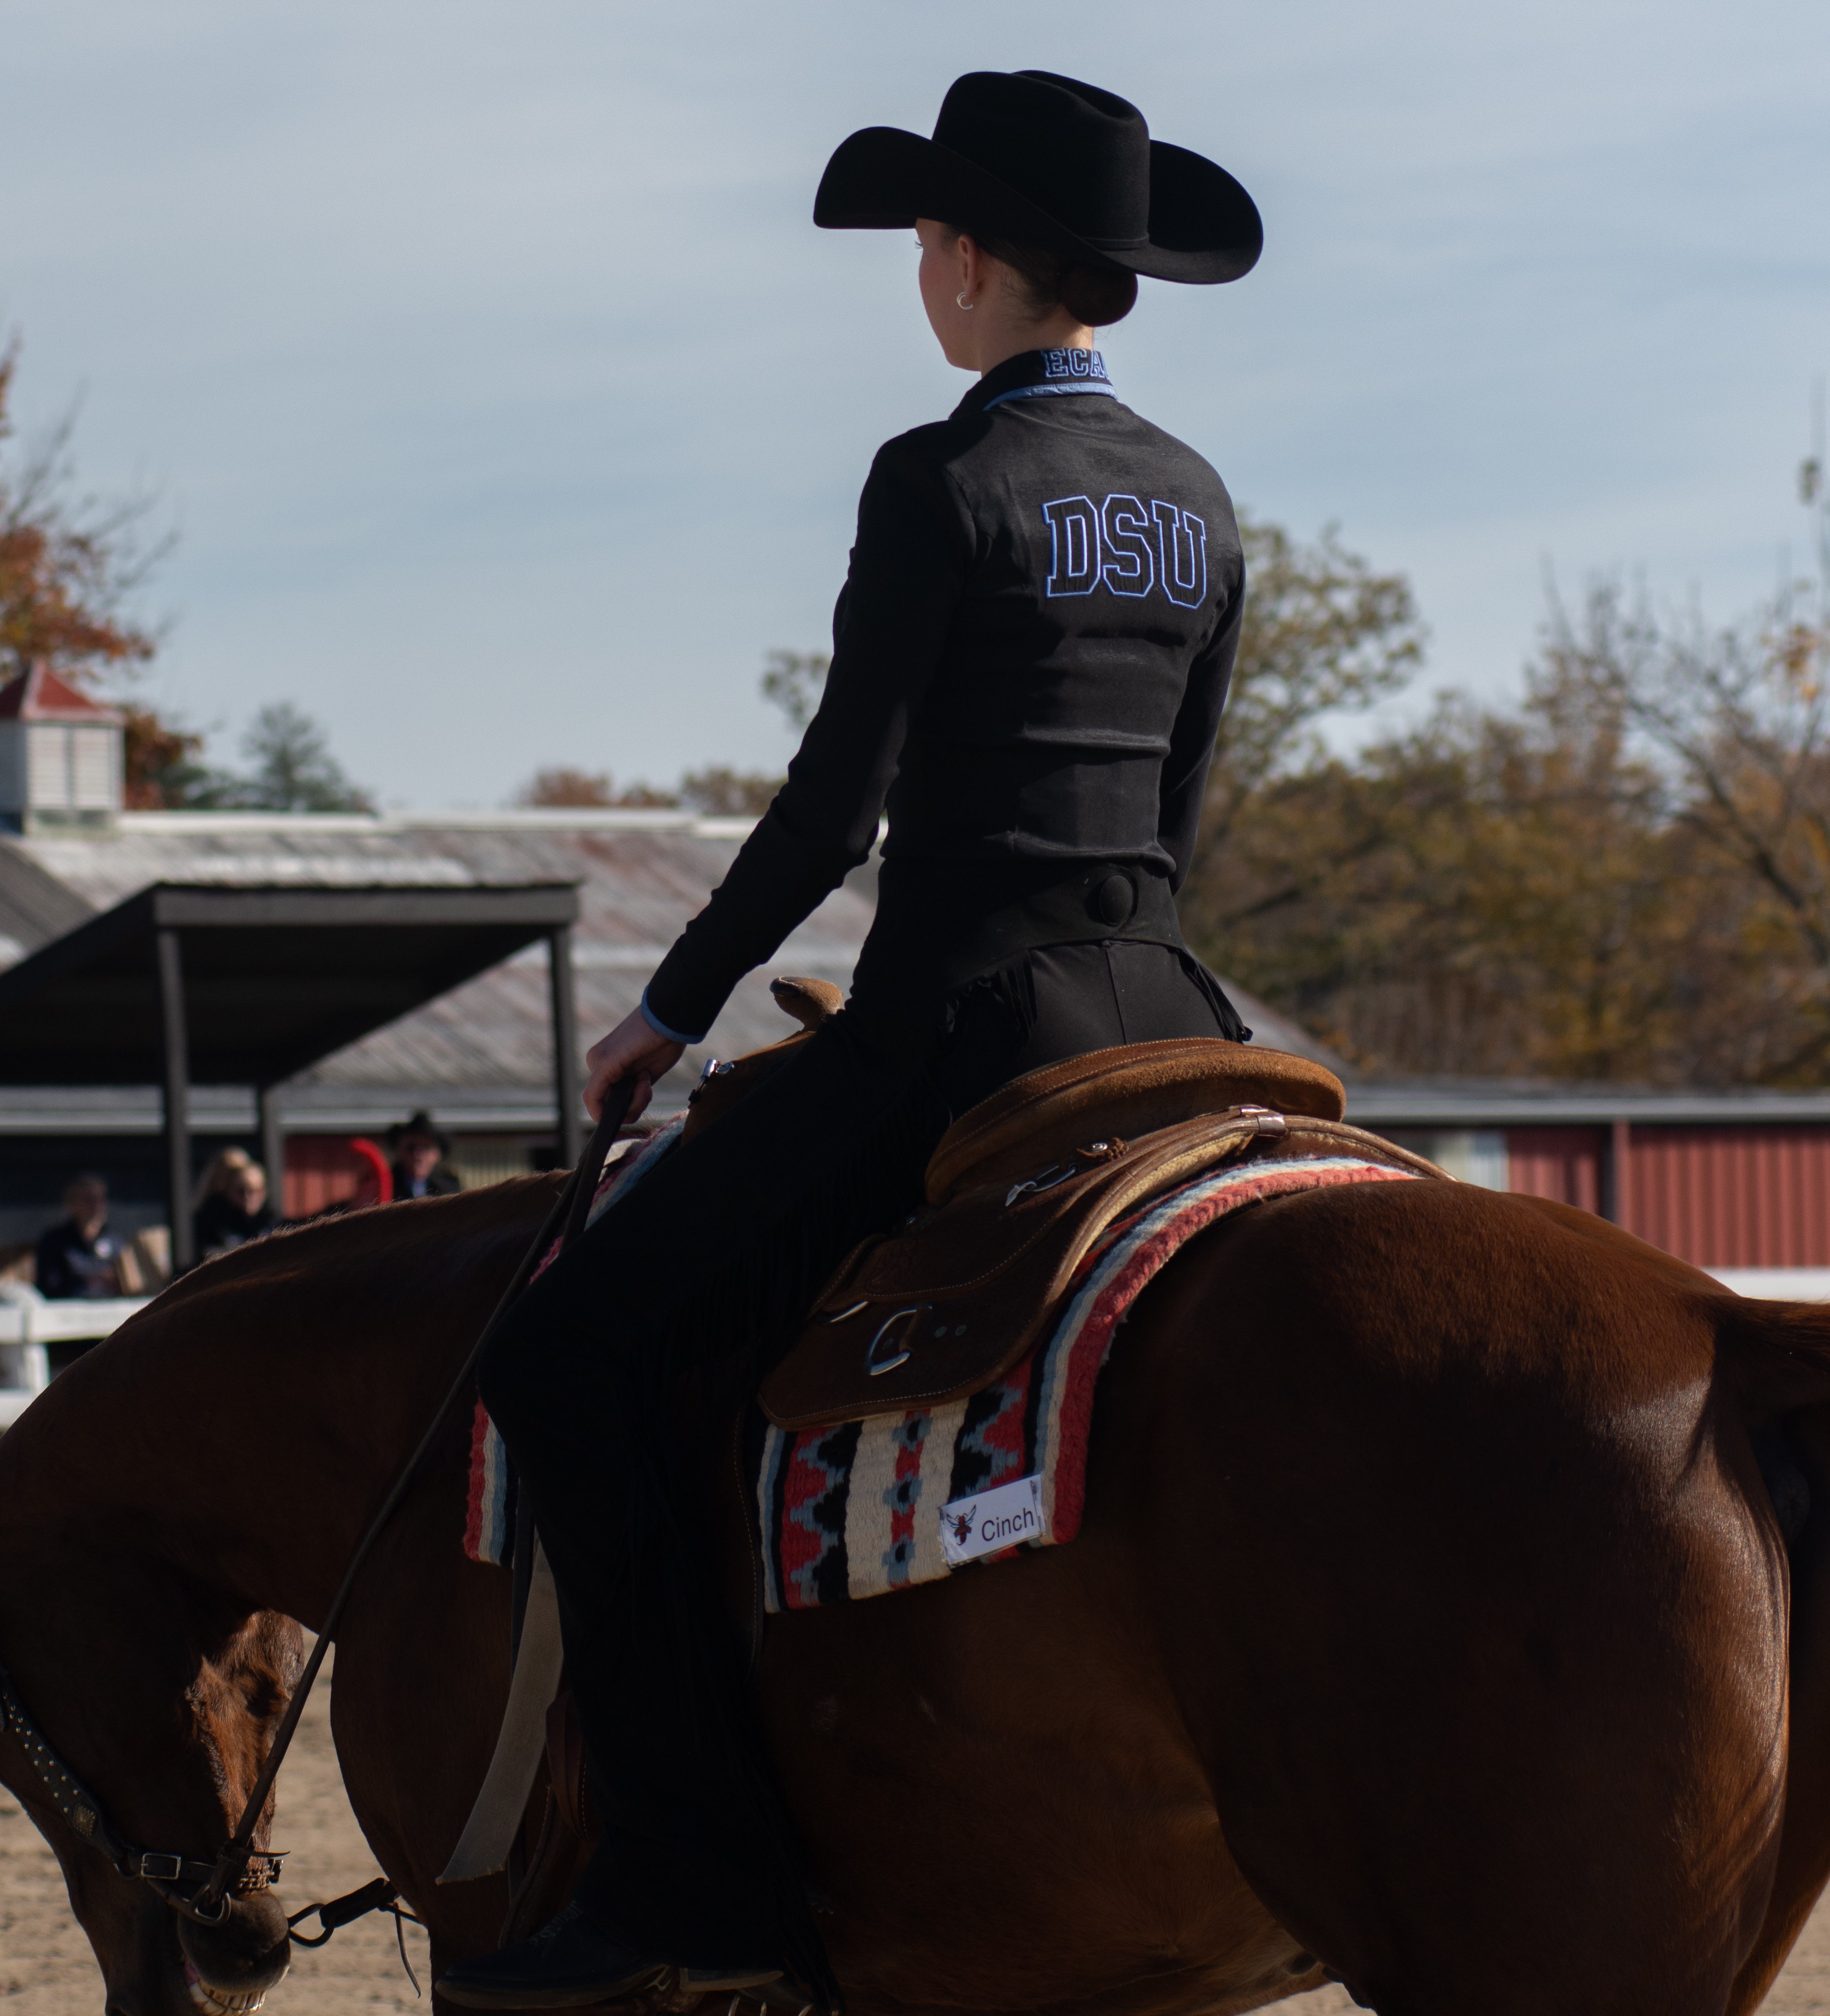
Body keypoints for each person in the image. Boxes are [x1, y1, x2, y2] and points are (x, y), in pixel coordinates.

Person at [447, 71, 1261, 2012]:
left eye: (923, 238)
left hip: (959, 1029)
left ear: (971, 258)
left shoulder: (942, 479)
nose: (918, 270)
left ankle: (694, 1878)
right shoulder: (1197, 503)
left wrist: (669, 1004)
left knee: (564, 1352)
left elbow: (835, 813)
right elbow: (1172, 812)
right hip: (1168, 1010)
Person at [33, 1174, 127, 1300]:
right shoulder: (55, 1242)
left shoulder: (116, 1242)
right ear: (72, 1204)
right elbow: (49, 1286)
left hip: (110, 1311)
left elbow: (128, 1283)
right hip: (69, 1311)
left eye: (101, 1200)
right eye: (89, 1200)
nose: (96, 1206)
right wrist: (91, 1280)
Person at [192, 1147, 280, 1263]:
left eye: (257, 1190)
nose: (249, 1196)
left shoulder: (272, 1223)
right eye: (241, 1190)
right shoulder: (211, 1223)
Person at [388, 1112, 461, 1201]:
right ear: (399, 1150)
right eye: (411, 1148)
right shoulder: (386, 1184)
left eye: (426, 1148)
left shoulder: (449, 1188)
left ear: (438, 1154)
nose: (418, 1155)